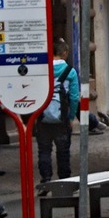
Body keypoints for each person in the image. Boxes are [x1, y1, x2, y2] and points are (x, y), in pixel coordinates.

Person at [37, 38, 80, 185]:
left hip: (42, 117)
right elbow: (74, 98)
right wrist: (71, 117)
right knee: (63, 151)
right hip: (62, 119)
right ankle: (64, 181)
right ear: (65, 53)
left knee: (44, 150)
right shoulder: (70, 71)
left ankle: (45, 180)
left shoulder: (43, 69)